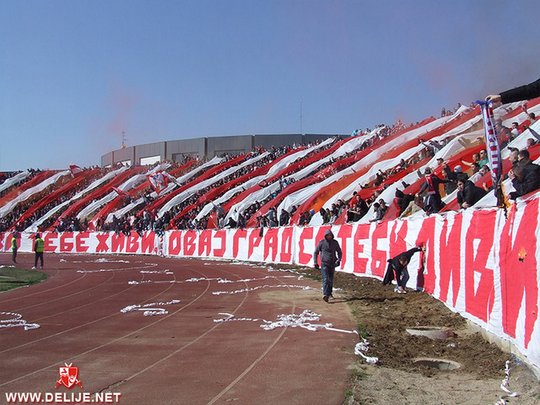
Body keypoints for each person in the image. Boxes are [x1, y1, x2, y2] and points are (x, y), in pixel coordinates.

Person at [313, 229, 342, 303]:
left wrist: (339, 259)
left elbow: (339, 251)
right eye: (328, 235)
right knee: (326, 279)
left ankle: (330, 293)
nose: (329, 237)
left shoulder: (335, 243)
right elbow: (316, 252)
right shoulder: (321, 243)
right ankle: (325, 294)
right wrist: (315, 262)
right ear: (325, 236)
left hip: (332, 264)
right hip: (324, 263)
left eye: (330, 235)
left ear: (332, 236)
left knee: (330, 280)